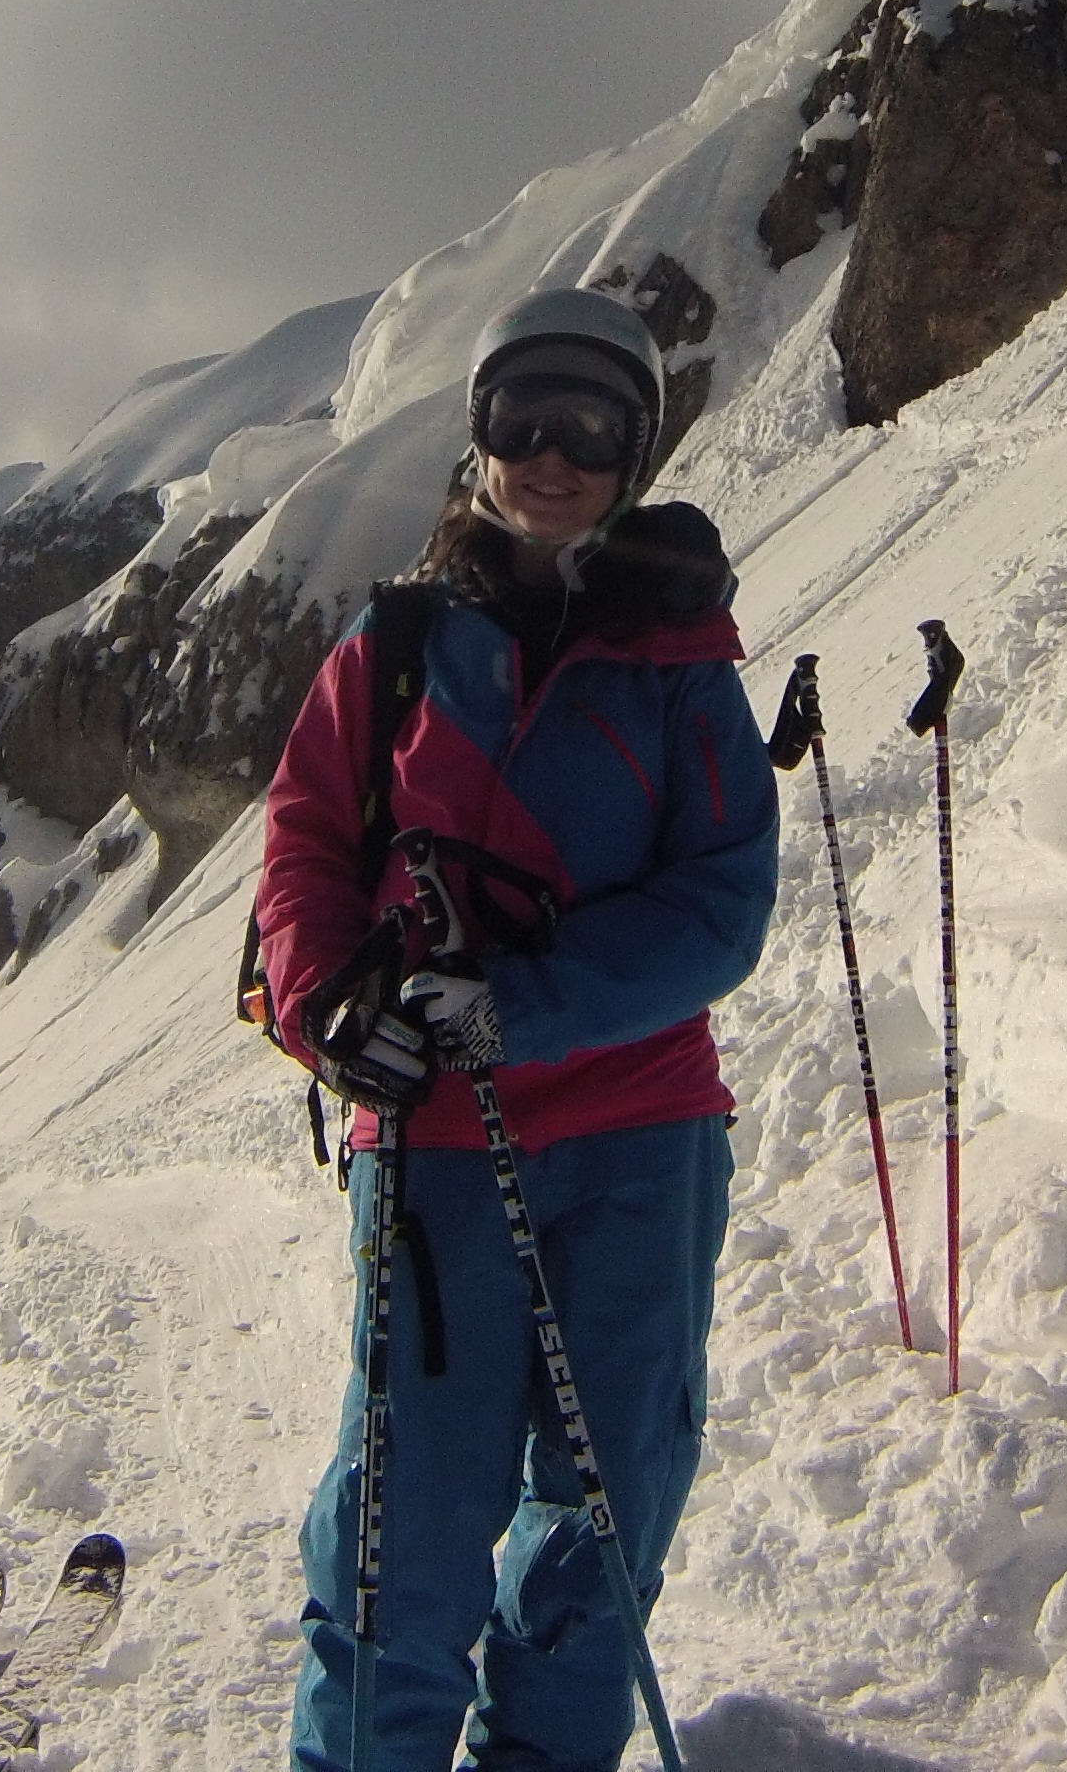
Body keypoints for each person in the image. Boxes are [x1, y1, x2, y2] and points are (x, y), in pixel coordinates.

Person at [254, 286, 781, 1772]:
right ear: (479, 438)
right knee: (401, 1524)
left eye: (591, 428)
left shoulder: (680, 666)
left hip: (637, 1135)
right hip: (431, 1141)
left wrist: (523, 1007)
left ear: (634, 451)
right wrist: (329, 1006)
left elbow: (722, 902)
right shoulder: (395, 649)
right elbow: (305, 848)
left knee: (604, 1517)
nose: (553, 456)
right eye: (522, 420)